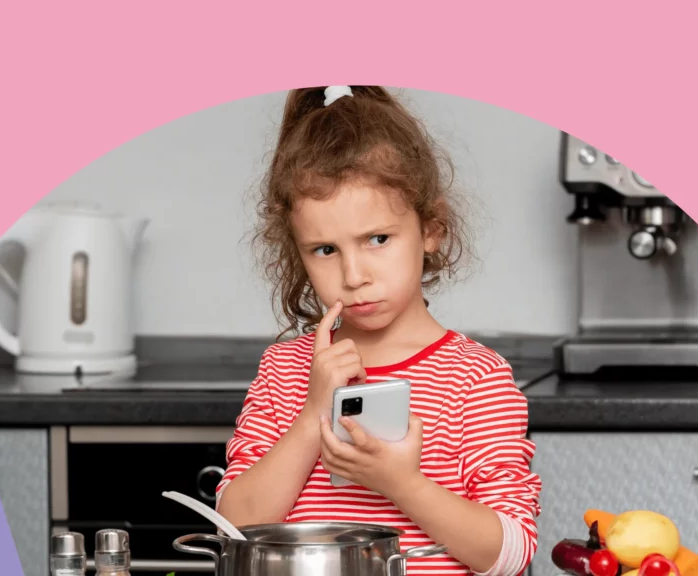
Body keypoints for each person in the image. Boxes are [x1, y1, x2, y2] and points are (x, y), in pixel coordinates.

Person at [215, 85, 541, 575]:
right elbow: (234, 527)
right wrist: (311, 415)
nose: (353, 275)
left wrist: (401, 483)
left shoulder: (476, 378)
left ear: (431, 228)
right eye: (325, 250)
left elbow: (510, 555)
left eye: (378, 240)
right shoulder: (285, 371)